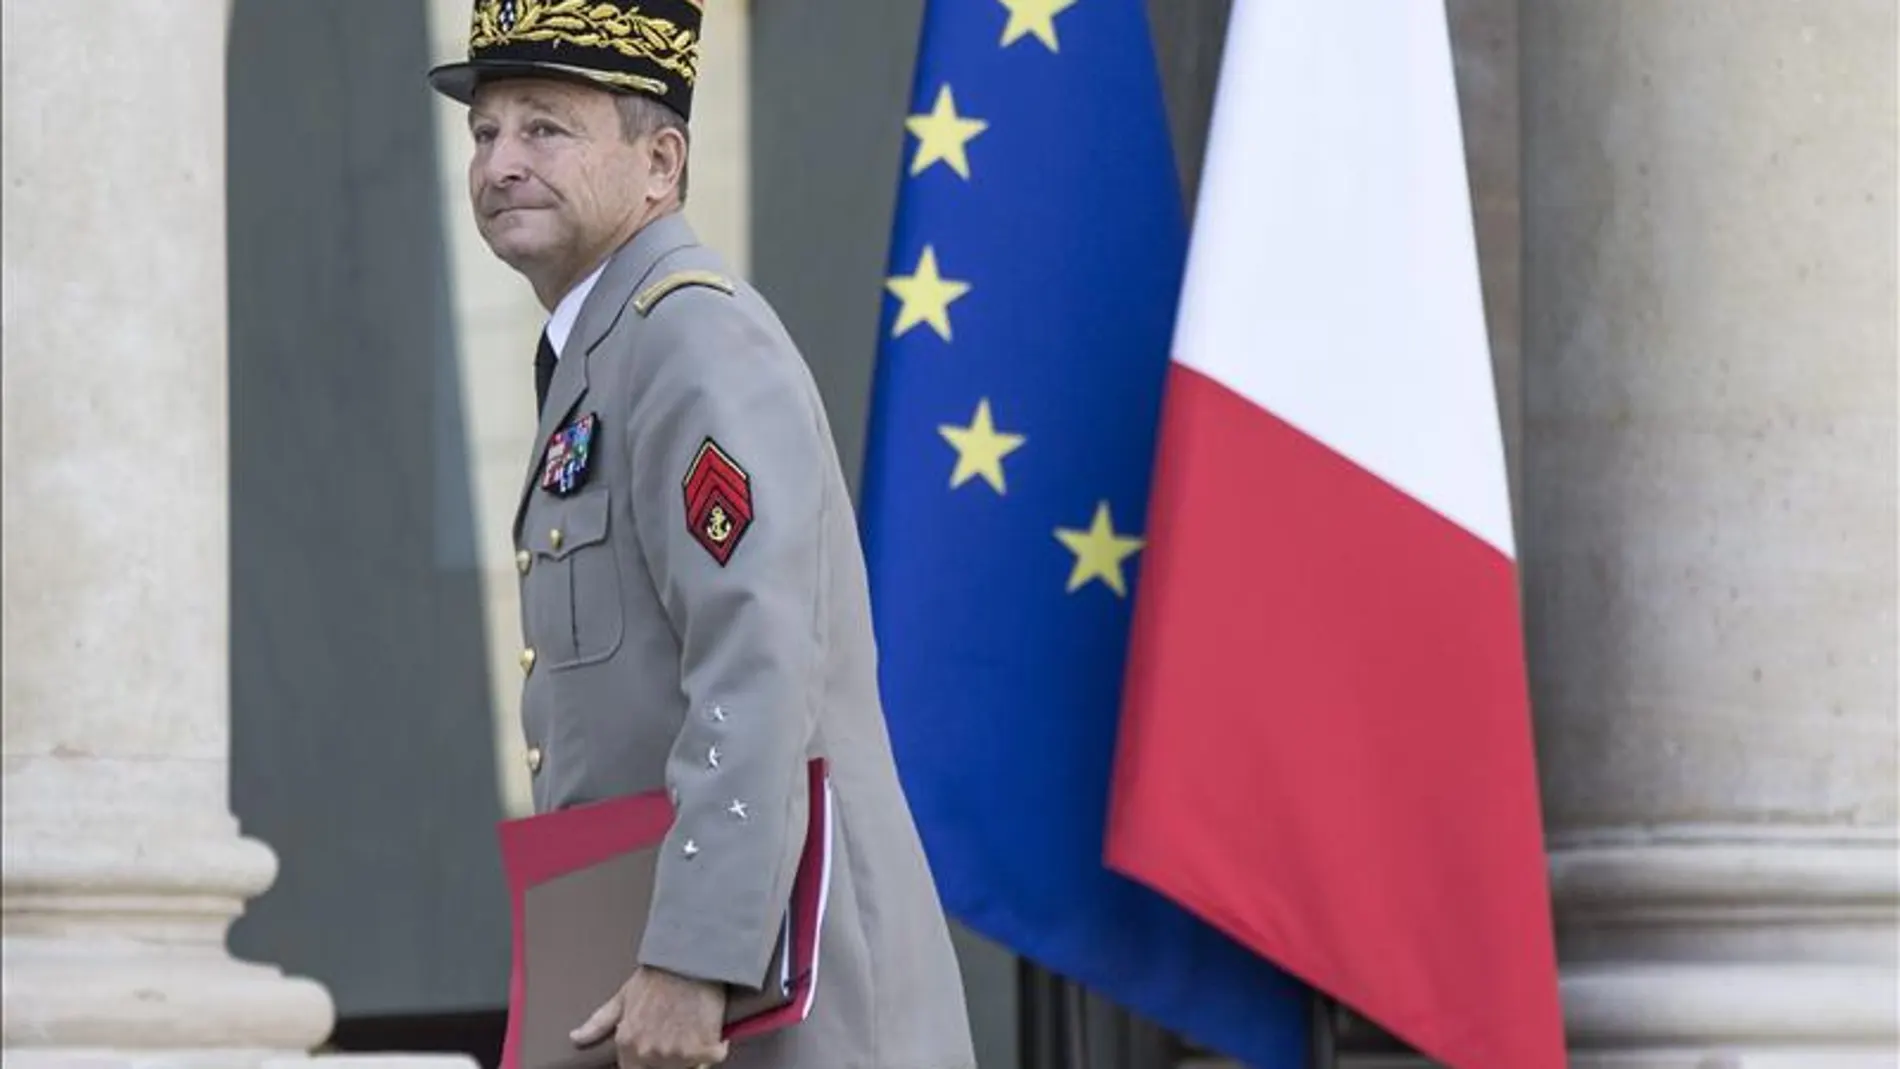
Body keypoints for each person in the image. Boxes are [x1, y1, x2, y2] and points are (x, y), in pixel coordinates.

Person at [427, 3, 977, 1067]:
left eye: (545, 128)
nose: (500, 162)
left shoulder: (690, 335)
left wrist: (695, 955)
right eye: (484, 132)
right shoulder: (608, 345)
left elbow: (758, 655)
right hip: (654, 969)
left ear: (660, 163)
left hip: (771, 994)